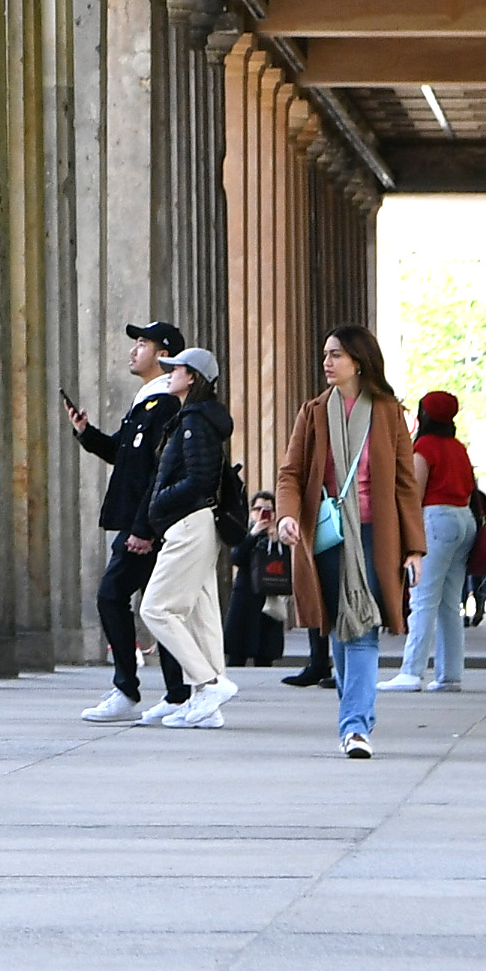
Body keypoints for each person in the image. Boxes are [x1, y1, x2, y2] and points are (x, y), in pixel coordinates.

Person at [274, 325, 417, 759]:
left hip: (377, 535)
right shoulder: (314, 412)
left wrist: (414, 548)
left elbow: (406, 484)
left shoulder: (389, 413)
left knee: (362, 627)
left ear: (358, 360)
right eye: (325, 354)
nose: (327, 362)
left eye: (335, 354)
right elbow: (291, 473)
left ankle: (355, 726)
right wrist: (286, 515)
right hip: (329, 534)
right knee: (339, 627)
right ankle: (353, 713)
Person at [61, 322, 193, 723]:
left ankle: (129, 689)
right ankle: (176, 693)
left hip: (147, 525)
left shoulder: (166, 405)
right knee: (157, 607)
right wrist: (86, 433)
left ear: (163, 354)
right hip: (141, 522)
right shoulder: (147, 401)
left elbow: (159, 472)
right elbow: (124, 454)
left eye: (142, 344)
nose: (134, 351)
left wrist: (143, 530)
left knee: (113, 596)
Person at [130, 344, 237, 726]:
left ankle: (209, 683)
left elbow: (199, 479)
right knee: (200, 614)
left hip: (189, 524)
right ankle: (208, 705)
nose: (169, 374)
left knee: (155, 608)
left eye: (175, 369)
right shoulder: (196, 417)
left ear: (192, 377)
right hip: (197, 523)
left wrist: (160, 502)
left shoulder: (193, 421)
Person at [390, 390, 484, 691]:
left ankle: (411, 672)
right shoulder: (459, 448)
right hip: (463, 520)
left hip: (435, 519)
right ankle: (450, 675)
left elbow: (414, 493)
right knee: (450, 603)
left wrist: (406, 535)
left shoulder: (424, 446)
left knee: (422, 599)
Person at [224, 494, 292, 670]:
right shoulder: (245, 531)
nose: (262, 513)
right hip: (245, 594)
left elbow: (287, 562)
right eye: (258, 509)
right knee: (237, 651)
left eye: (268, 509)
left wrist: (276, 541)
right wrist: (253, 534)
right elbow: (237, 558)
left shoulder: (281, 534)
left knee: (265, 652)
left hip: (269, 594)